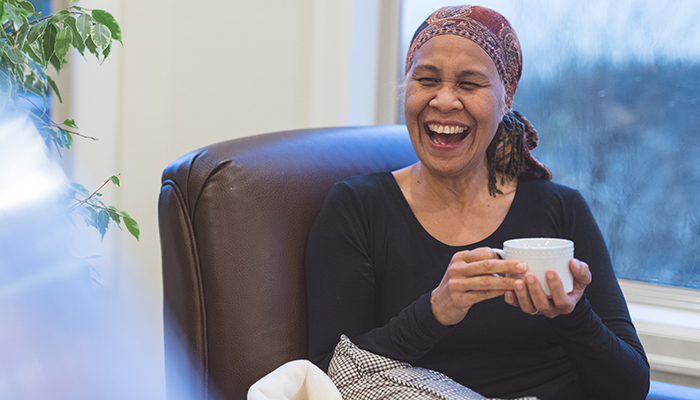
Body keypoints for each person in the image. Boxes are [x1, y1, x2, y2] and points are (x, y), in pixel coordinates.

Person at [305, 5, 649, 400]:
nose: (445, 101)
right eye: (426, 79)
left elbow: (631, 386)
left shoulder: (561, 208)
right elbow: (327, 376)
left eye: (470, 85)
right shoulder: (358, 208)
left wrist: (572, 315)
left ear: (506, 101)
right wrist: (435, 311)